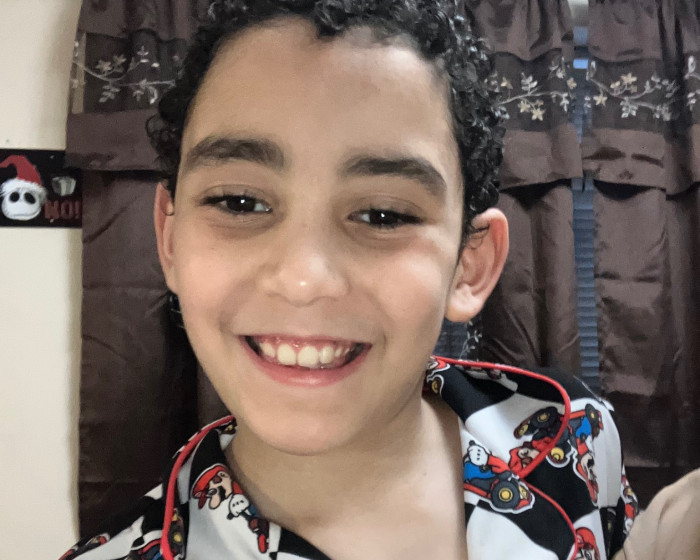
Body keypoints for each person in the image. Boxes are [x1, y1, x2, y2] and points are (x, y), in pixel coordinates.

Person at [59, 1, 637, 559]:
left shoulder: (574, 435)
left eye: (383, 215)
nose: (303, 280)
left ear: (470, 264)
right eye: (239, 202)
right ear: (169, 239)